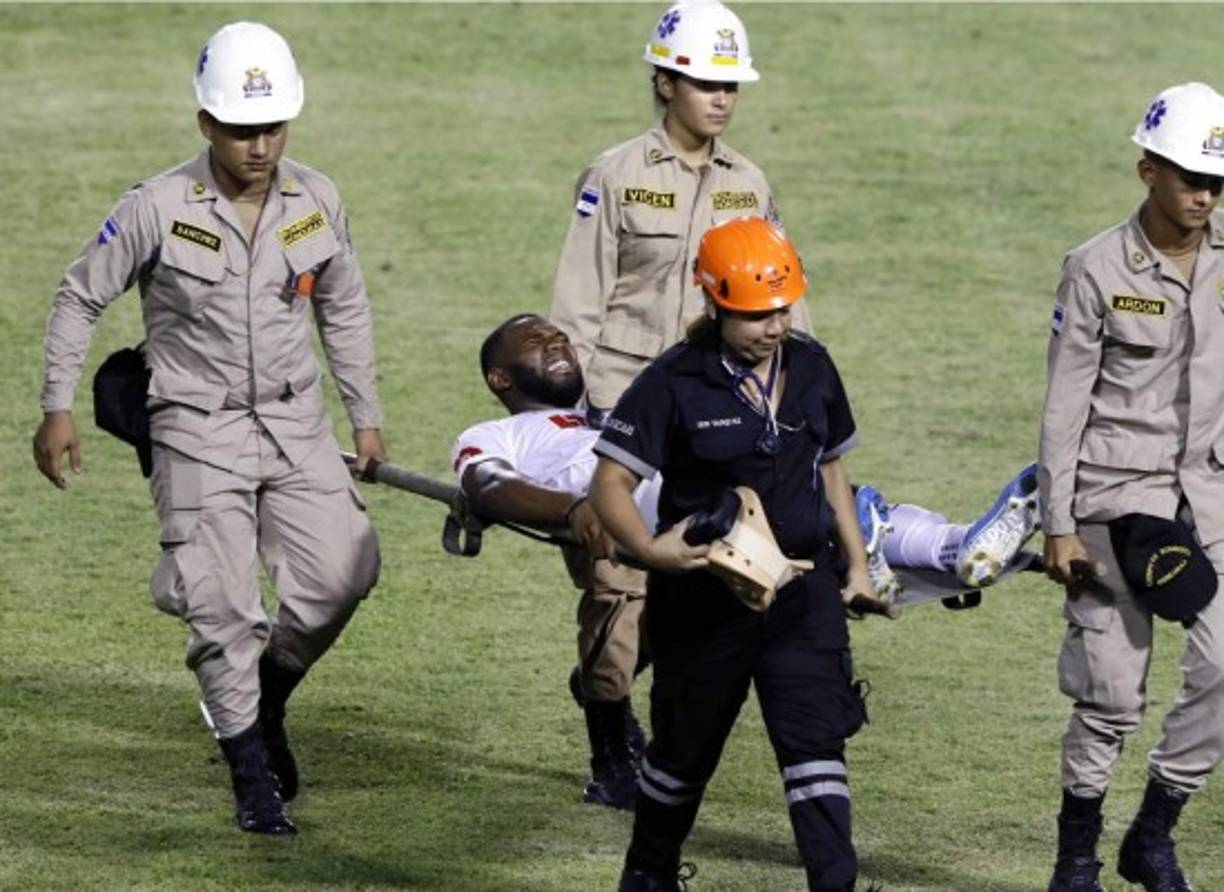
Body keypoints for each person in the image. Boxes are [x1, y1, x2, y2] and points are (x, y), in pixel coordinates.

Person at [31, 22, 385, 836]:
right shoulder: (156, 207)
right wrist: (57, 407)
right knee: (220, 603)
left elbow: (345, 307)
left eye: (272, 127)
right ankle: (251, 774)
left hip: (297, 423)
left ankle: (262, 699)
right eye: (240, 128)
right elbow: (81, 295)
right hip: (195, 427)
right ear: (204, 124)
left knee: (346, 570)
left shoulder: (319, 199)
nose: (259, 145)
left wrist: (365, 417)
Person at [587, 217, 868, 891]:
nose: (773, 327)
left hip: (803, 593)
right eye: (753, 316)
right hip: (704, 604)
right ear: (714, 303)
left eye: (780, 310)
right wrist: (651, 552)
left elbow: (832, 472)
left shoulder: (813, 366)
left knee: (814, 746)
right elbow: (610, 482)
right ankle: (649, 874)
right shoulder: (674, 381)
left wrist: (855, 565)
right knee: (684, 754)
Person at [1039, 82, 1224, 891]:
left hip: (1210, 499)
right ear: (1147, 169)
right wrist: (1058, 525)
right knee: (1112, 696)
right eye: (1191, 177)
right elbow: (1063, 404)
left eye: (1217, 182)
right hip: (1116, 504)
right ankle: (1075, 857)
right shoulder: (1095, 268)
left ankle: (1153, 831)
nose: (1205, 195)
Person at [551, 0, 808, 420]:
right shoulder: (615, 175)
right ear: (666, 84)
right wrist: (564, 408)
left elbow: (783, 296)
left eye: (731, 87)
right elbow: (579, 297)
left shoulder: (749, 183)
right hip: (623, 393)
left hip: (720, 397)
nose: (722, 101)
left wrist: (802, 394)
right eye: (707, 85)